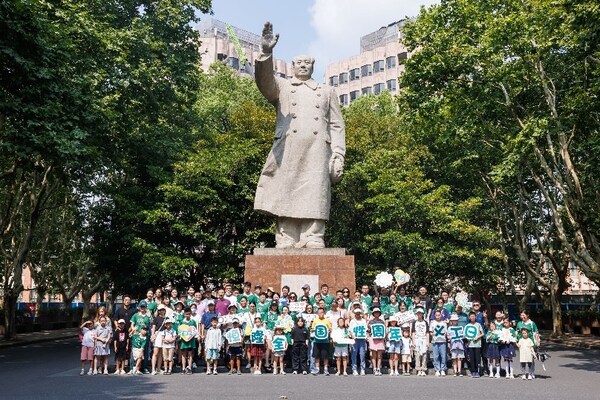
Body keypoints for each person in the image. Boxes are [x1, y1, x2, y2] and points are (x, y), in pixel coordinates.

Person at [254, 22, 346, 249]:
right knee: (286, 188)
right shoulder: (283, 87)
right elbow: (264, 83)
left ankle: (313, 235)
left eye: (307, 63)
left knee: (315, 191)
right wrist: (266, 52)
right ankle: (285, 236)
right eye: (299, 63)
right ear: (292, 66)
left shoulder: (327, 91)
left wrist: (338, 153)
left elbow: (337, 125)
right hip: (288, 147)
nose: (303, 66)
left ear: (313, 67)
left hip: (318, 149)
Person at [516, 310, 539, 378]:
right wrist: (515, 339)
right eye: (521, 315)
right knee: (522, 358)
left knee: (531, 358)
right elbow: (517, 332)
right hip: (522, 343)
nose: (522, 317)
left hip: (530, 342)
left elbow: (536, 333)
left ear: (527, 315)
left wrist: (537, 341)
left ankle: (531, 372)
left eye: (524, 315)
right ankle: (523, 373)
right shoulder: (519, 323)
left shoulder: (532, 323)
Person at [310, 307, 332, 375]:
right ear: (317, 313)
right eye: (319, 313)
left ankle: (325, 369)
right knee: (317, 355)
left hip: (325, 341)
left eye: (322, 312)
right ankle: (317, 369)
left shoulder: (327, 321)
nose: (320, 314)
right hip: (317, 341)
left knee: (325, 356)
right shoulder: (315, 321)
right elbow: (312, 329)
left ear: (324, 313)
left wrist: (330, 336)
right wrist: (313, 330)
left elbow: (330, 330)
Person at [465, 311, 485, 378]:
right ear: (469, 317)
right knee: (472, 358)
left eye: (473, 316)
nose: (472, 317)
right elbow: (465, 334)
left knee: (477, 358)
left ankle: (477, 371)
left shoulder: (478, 324)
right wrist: (468, 338)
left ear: (475, 317)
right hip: (470, 344)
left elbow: (482, 333)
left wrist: (477, 337)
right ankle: (473, 371)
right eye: (471, 316)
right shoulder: (467, 325)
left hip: (477, 344)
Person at [348, 307, 368, 376]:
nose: (358, 315)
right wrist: (352, 335)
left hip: (362, 340)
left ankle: (362, 369)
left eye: (359, 313)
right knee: (354, 354)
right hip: (354, 340)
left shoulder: (363, 321)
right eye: (356, 313)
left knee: (362, 354)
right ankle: (354, 369)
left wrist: (366, 336)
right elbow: (350, 330)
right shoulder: (352, 321)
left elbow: (366, 330)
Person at [179, 307, 198, 375]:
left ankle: (189, 368)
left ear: (191, 314)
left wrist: (194, 335)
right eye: (186, 314)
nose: (188, 315)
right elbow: (180, 330)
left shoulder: (193, 321)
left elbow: (195, 330)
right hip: (184, 340)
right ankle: (183, 368)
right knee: (184, 354)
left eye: (189, 314)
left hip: (191, 340)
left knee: (190, 354)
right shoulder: (182, 322)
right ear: (184, 314)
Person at [367, 307, 386, 376]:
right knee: (374, 355)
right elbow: (368, 331)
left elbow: (384, 330)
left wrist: (384, 336)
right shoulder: (370, 321)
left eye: (378, 312)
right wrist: (369, 329)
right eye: (375, 312)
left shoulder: (382, 322)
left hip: (380, 339)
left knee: (379, 355)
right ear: (373, 314)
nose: (376, 313)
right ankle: (374, 368)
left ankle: (378, 368)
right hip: (373, 339)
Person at [430, 309, 448, 376]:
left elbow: (446, 332)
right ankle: (437, 369)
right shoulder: (432, 323)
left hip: (443, 341)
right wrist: (432, 334)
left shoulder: (444, 323)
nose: (438, 316)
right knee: (436, 356)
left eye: (439, 315)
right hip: (435, 341)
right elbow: (431, 332)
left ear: (441, 315)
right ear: (434, 316)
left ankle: (443, 369)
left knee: (443, 356)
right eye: (436, 315)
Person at [150, 304, 168, 375]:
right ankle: (153, 369)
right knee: (155, 352)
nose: (161, 311)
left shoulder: (167, 318)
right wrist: (152, 335)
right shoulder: (156, 318)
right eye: (160, 310)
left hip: (165, 335)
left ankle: (158, 368)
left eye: (163, 310)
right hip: (158, 335)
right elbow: (153, 328)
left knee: (161, 353)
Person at [412, 307, 429, 376]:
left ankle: (423, 369)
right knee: (417, 355)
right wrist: (413, 342)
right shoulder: (414, 322)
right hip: (417, 339)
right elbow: (413, 332)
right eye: (418, 313)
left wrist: (428, 342)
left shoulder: (425, 322)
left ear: (422, 314)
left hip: (424, 339)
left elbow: (427, 333)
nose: (419, 314)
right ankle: (418, 369)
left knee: (424, 355)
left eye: (420, 313)